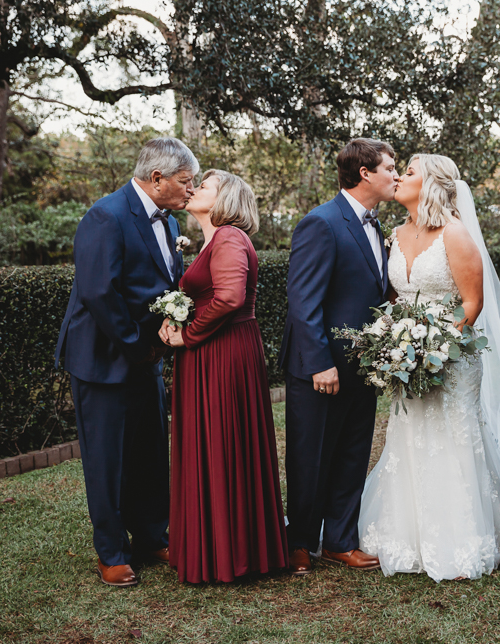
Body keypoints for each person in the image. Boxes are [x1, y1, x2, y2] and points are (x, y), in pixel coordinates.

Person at [358, 154, 500, 582]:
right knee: (410, 437)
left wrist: (434, 347)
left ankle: (461, 540)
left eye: (409, 172)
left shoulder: (455, 233)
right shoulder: (395, 232)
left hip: (452, 356)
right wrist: (396, 344)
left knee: (452, 439)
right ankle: (408, 536)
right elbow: (395, 298)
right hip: (405, 356)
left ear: (430, 184)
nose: (400, 178)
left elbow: (472, 304)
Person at [54, 137, 196, 587]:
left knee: (151, 451)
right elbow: (99, 292)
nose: (190, 190)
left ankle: (153, 535)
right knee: (107, 459)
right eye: (184, 182)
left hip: (145, 356)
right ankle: (112, 551)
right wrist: (140, 343)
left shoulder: (170, 224)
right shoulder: (105, 215)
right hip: (103, 359)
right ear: (157, 179)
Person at [159, 170, 288, 584]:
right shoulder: (214, 241)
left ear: (225, 200)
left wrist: (189, 333)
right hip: (215, 350)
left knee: (222, 440)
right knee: (217, 442)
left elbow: (230, 296)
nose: (195, 188)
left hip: (222, 353)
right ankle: (219, 544)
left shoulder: (229, 237)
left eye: (206, 186)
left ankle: (227, 552)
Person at [278, 138, 398, 576]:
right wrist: (319, 362)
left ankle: (340, 541)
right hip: (321, 367)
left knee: (352, 453)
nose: (396, 175)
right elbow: (303, 300)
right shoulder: (321, 223)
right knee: (310, 455)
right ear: (365, 173)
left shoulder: (377, 226)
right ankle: (301, 541)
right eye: (390, 167)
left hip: (364, 365)